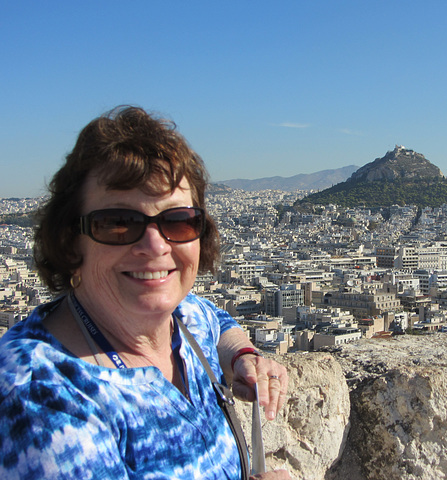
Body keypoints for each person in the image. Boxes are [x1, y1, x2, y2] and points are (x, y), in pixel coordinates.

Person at [0, 106, 291, 480]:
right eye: (119, 223)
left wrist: (242, 356)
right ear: (70, 241)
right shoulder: (41, 398)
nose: (155, 246)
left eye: (178, 221)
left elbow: (216, 321)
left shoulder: (181, 320)